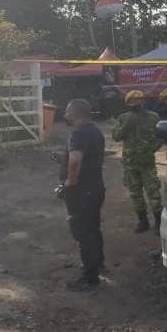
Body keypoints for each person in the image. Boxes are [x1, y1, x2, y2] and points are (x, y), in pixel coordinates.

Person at [62, 98, 106, 292]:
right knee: (93, 227)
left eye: (67, 111)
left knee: (82, 232)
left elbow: (75, 161)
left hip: (82, 191)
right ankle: (97, 264)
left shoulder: (78, 134)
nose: (65, 114)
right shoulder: (95, 131)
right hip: (96, 187)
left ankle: (90, 278)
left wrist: (69, 184)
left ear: (75, 113)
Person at [112, 90, 163, 234]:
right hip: (130, 163)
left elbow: (161, 136)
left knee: (153, 192)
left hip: (147, 163)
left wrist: (152, 149)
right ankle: (143, 221)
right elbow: (116, 136)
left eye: (139, 100)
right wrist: (127, 124)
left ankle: (159, 223)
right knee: (135, 193)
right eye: (132, 101)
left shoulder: (153, 117)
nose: (136, 103)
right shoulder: (122, 118)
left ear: (143, 101)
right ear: (127, 103)